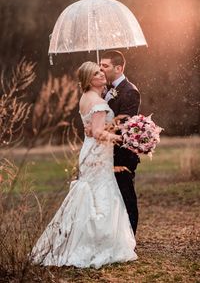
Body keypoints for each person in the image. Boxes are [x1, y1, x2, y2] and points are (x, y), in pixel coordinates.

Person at [30, 61, 137, 269]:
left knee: (94, 192)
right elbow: (97, 133)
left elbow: (92, 128)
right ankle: (96, 243)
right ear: (89, 79)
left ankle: (83, 238)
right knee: (101, 194)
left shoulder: (85, 98)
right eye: (97, 73)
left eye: (101, 71)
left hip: (90, 152)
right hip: (98, 154)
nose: (101, 74)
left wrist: (101, 129)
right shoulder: (97, 101)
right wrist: (123, 139)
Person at [100, 50, 141, 235]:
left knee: (126, 198)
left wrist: (99, 129)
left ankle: (130, 238)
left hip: (122, 154)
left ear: (118, 68)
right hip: (105, 152)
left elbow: (124, 125)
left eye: (105, 66)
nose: (101, 69)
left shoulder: (130, 91)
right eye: (100, 65)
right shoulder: (103, 89)